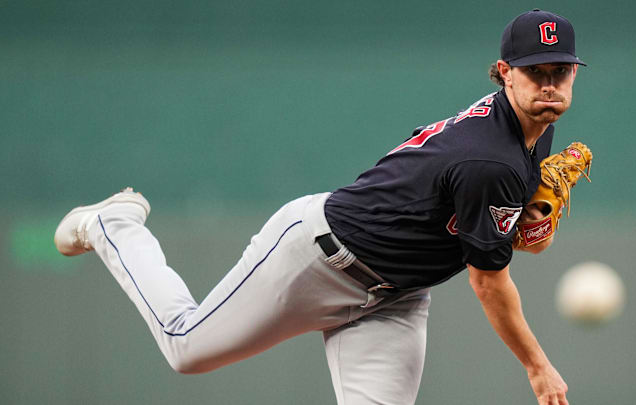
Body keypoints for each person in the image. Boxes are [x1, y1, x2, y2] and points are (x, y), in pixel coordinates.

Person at [54, 9, 584, 405]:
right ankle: (115, 225)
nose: (549, 83)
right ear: (503, 71)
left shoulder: (532, 128)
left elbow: (476, 196)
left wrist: (519, 211)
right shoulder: (490, 161)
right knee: (185, 349)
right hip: (316, 259)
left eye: (560, 71)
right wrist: (537, 367)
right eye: (535, 71)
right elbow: (489, 283)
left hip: (394, 298)